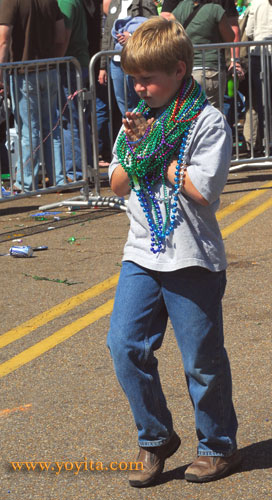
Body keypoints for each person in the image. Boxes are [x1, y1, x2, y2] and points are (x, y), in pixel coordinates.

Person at [107, 16, 241, 488]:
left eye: (148, 79)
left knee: (200, 361)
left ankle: (218, 445)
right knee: (123, 346)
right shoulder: (138, 123)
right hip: (143, 252)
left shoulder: (207, 121)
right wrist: (140, 148)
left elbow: (203, 190)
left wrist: (160, 155)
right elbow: (119, 183)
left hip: (191, 257)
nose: (139, 88)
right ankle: (156, 436)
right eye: (133, 78)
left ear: (180, 70)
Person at [0, 0, 66, 192]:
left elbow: (3, 39)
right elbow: (61, 38)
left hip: (24, 72)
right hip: (49, 69)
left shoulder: (10, 1)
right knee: (51, 126)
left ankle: (25, 182)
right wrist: (54, 62)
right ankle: (58, 178)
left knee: (29, 130)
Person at [170, 0, 235, 110]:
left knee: (190, 113)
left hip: (188, 71)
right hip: (211, 70)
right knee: (214, 113)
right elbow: (230, 37)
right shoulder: (216, 10)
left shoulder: (181, 7)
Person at [98, 0, 157, 117]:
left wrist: (132, 37)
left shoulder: (145, 2)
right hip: (115, 62)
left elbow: (154, 27)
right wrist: (102, 66)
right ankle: (130, 130)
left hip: (136, 60)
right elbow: (107, 36)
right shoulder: (114, 3)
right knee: (123, 103)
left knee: (139, 101)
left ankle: (145, 131)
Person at [57, 0, 92, 181]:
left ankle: (75, 171)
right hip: (76, 64)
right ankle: (81, 168)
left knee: (71, 121)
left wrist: (56, 61)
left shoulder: (65, 2)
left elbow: (64, 37)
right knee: (76, 120)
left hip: (70, 67)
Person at [245, 0, 272, 154]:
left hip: (259, 54)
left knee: (261, 101)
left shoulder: (256, 3)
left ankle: (264, 143)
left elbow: (249, 31)